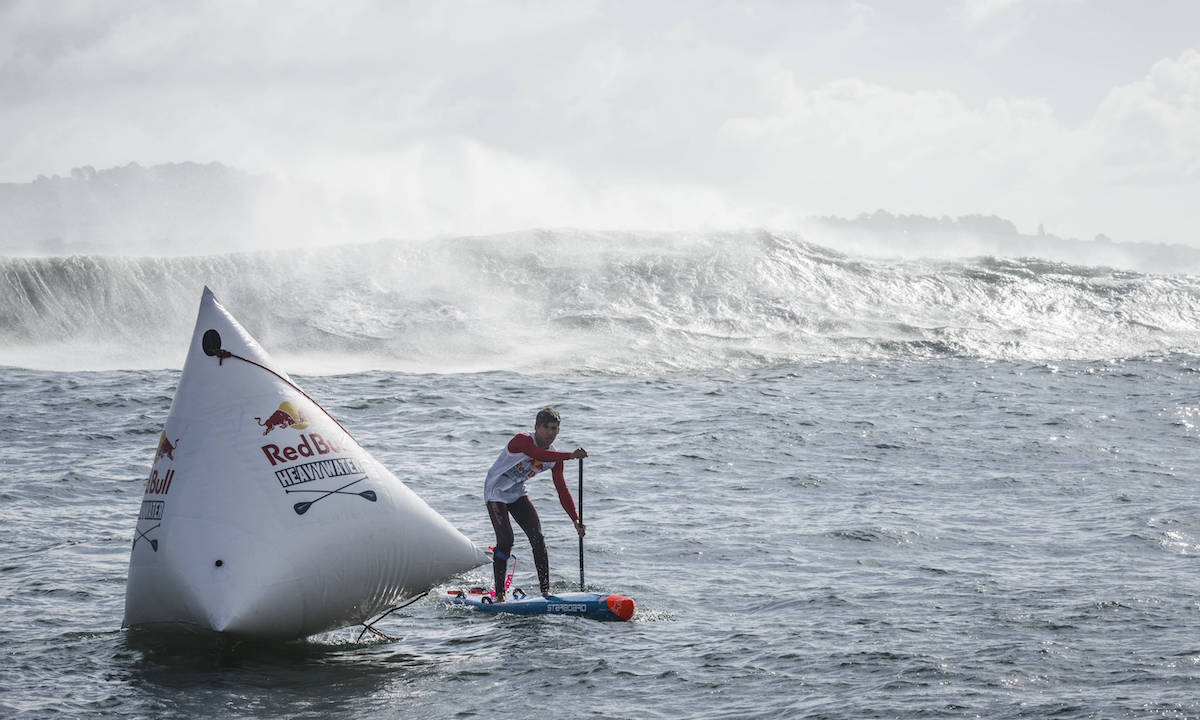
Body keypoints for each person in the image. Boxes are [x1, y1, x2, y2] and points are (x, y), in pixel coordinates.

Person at [484, 407, 586, 601]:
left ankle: (545, 592)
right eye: (546, 428)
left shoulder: (555, 458)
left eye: (554, 428)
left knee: (538, 537)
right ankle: (499, 595)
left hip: (516, 492)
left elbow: (562, 489)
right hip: (495, 491)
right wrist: (570, 455)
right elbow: (537, 453)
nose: (550, 433)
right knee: (506, 541)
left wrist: (575, 519)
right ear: (536, 428)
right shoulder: (522, 440)